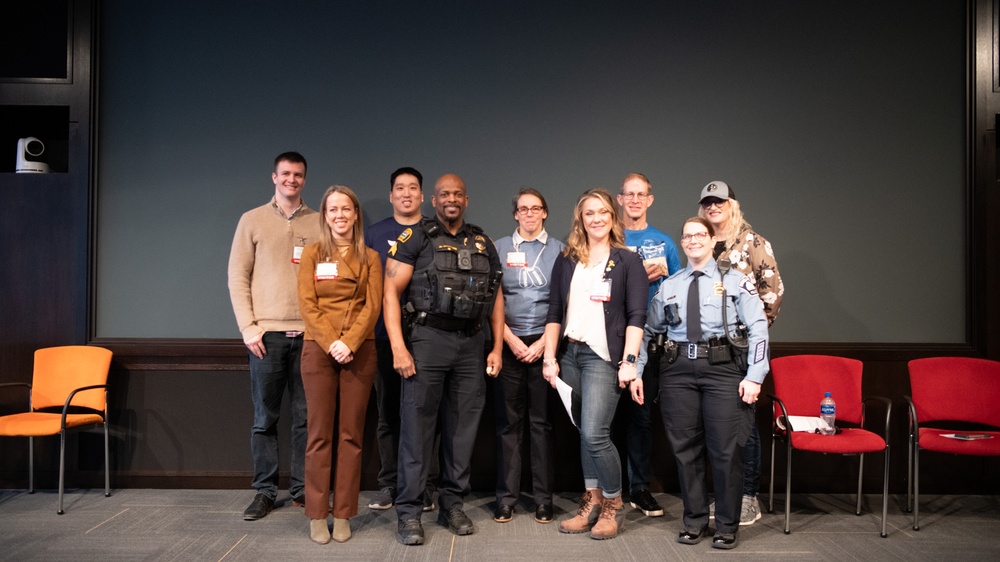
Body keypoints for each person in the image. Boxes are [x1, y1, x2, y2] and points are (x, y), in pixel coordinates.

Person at [633, 216, 769, 550]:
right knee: (685, 451)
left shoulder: (736, 281)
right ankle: (694, 521)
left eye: (699, 235)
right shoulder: (671, 284)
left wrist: (755, 376)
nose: (693, 240)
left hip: (722, 369)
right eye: (687, 236)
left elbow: (758, 328)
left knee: (725, 451)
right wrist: (635, 369)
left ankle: (726, 524)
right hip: (677, 370)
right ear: (682, 243)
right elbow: (648, 331)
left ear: (711, 241)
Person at [383, 173, 505, 546]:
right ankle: (408, 511)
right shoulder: (415, 237)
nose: (450, 199)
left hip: (471, 345)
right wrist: (399, 348)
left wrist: (497, 346)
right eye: (443, 194)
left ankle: (452, 503)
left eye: (457, 194)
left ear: (465, 200)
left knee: (462, 429)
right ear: (432, 200)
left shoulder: (482, 241)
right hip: (427, 341)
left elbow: (496, 296)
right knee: (417, 429)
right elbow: (390, 291)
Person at [541, 188, 647, 540]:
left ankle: (612, 505)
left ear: (612, 217)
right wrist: (549, 356)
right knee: (585, 434)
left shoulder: (628, 260)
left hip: (605, 358)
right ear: (580, 219)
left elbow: (637, 316)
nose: (597, 218)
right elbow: (555, 311)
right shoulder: (567, 258)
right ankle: (591, 502)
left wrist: (629, 361)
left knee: (596, 433)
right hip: (571, 355)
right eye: (589, 213)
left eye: (603, 212)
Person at [228, 151, 322, 520]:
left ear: (304, 179)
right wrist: (248, 327)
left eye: (298, 175)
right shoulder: (251, 221)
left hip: (309, 336)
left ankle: (301, 490)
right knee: (264, 419)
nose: (292, 180)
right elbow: (238, 277)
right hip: (265, 336)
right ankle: (265, 491)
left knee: (305, 418)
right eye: (285, 174)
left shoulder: (319, 222)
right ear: (274, 177)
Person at [296, 185, 381, 544]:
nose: (340, 216)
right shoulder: (312, 254)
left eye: (346, 209)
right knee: (318, 435)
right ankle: (317, 513)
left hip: (359, 349)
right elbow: (306, 303)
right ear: (325, 216)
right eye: (333, 210)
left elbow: (372, 306)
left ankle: (343, 512)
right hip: (319, 348)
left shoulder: (371, 257)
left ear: (356, 214)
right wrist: (332, 341)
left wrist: (349, 343)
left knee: (351, 435)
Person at [698, 180, 784, 526]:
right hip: (707, 351)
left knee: (743, 424)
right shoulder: (700, 243)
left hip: (742, 349)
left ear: (732, 204)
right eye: (707, 203)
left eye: (719, 201)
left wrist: (750, 335)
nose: (713, 207)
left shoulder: (753, 242)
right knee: (716, 428)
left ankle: (748, 496)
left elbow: (773, 292)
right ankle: (721, 495)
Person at [363, 167, 438, 513]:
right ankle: (390, 483)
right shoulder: (374, 234)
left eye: (413, 188)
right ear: (391, 195)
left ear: (422, 196)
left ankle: (427, 485)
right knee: (388, 414)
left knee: (427, 415)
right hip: (381, 336)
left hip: (429, 339)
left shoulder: (435, 232)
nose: (406, 193)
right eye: (399, 188)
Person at [491, 188, 564, 525]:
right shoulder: (500, 248)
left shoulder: (560, 251)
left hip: (545, 343)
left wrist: (543, 346)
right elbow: (493, 298)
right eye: (523, 209)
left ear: (545, 213)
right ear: (516, 214)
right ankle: (506, 499)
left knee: (542, 425)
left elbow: (563, 304)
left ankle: (543, 499)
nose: (530, 214)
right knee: (508, 424)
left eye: (536, 208)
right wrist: (509, 339)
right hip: (507, 341)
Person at [615, 173, 681, 518]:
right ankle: (606, 490)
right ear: (620, 199)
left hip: (652, 342)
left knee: (641, 418)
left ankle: (639, 488)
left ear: (650, 200)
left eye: (642, 195)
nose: (636, 200)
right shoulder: (609, 238)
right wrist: (640, 273)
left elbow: (680, 292)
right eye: (630, 194)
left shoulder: (665, 243)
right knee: (604, 418)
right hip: (612, 338)